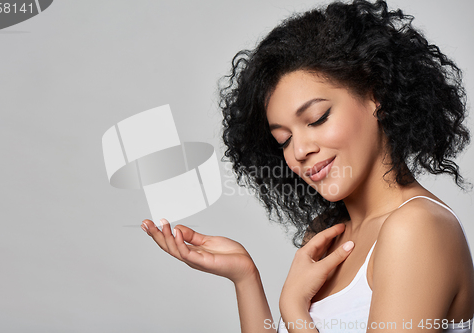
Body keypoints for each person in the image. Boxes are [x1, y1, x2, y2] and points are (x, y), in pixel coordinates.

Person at [140, 0, 474, 332]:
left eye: (316, 118)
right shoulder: (328, 232)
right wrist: (245, 277)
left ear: (377, 96)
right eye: (283, 139)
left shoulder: (417, 228)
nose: (299, 150)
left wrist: (294, 312)